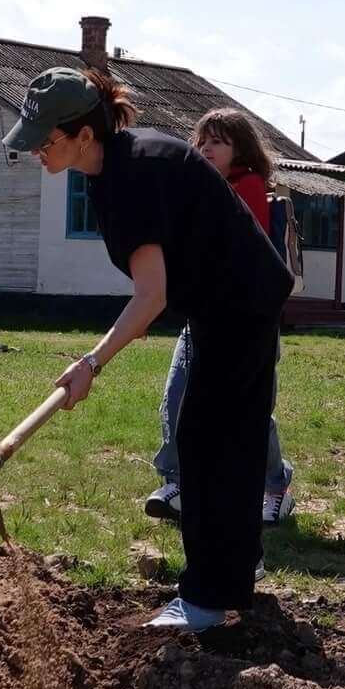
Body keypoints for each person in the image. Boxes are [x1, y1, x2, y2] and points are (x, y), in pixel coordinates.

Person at [7, 67, 293, 632]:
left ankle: (210, 599)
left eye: (46, 139)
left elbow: (151, 295)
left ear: (83, 135)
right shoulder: (114, 169)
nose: (37, 149)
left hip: (240, 305)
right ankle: (232, 575)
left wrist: (91, 363)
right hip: (224, 305)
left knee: (210, 442)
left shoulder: (133, 174)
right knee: (215, 440)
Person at [145, 108, 295, 533]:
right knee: (177, 397)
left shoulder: (245, 187)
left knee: (247, 411)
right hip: (201, 316)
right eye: (202, 140)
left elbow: (226, 251)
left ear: (240, 149)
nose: (206, 148)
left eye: (218, 142)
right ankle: (177, 483)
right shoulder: (199, 185)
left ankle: (275, 484)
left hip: (246, 323)